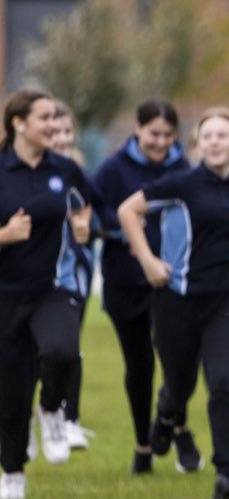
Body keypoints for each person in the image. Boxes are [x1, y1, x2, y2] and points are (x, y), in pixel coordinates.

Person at [117, 106, 229, 498]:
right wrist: (148, 260)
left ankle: (227, 474)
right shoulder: (179, 183)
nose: (216, 142)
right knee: (179, 387)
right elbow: (127, 211)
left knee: (223, 381)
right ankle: (166, 415)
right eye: (208, 135)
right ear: (198, 144)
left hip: (228, 299)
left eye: (224, 135)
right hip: (176, 300)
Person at [0, 90, 95, 498]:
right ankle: (12, 475)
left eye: (57, 119)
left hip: (51, 288)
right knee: (11, 395)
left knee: (62, 352)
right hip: (4, 296)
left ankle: (53, 408)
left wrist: (83, 223)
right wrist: (4, 235)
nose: (54, 127)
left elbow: (87, 204)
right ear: (18, 123)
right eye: (45, 119)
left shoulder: (65, 169)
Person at [92, 99, 192, 474]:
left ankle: (173, 426)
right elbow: (96, 208)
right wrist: (126, 237)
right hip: (124, 281)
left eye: (168, 135)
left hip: (171, 284)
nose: (160, 141)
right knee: (139, 366)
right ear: (137, 129)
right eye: (153, 134)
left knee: (177, 363)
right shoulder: (113, 168)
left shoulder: (184, 169)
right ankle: (143, 445)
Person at [45, 100, 94, 453]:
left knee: (67, 348)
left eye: (67, 130)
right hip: (21, 279)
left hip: (69, 275)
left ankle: (67, 418)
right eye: (53, 129)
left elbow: (94, 210)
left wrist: (88, 227)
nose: (61, 136)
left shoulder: (74, 171)